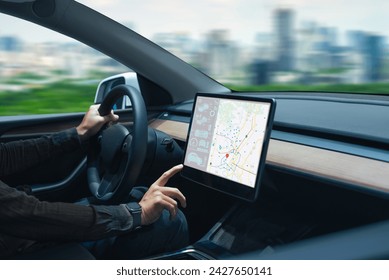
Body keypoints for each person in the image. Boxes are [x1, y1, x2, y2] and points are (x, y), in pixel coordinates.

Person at [0, 105, 188, 259]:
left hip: (21, 231)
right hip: (22, 246)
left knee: (139, 194)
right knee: (171, 221)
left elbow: (5, 156)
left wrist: (78, 134)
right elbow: (33, 215)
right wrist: (137, 214)